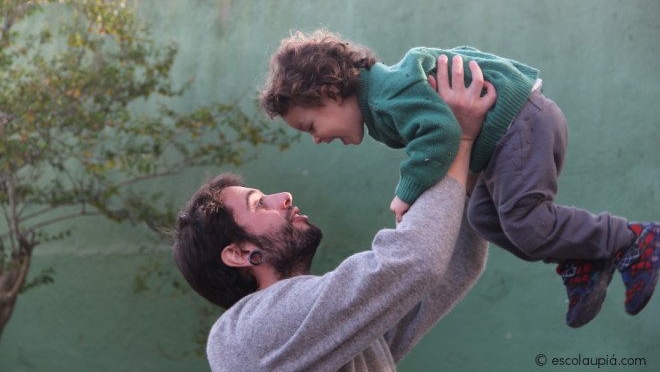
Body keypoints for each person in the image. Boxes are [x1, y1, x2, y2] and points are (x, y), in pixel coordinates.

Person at [259, 29, 660, 328]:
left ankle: (632, 239)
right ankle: (582, 259)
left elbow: (440, 134)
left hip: (521, 124)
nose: (316, 139)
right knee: (483, 218)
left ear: (330, 91)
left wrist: (406, 192)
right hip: (505, 141)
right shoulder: (380, 105)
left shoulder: (387, 93)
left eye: (310, 126)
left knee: (524, 219)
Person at [172, 60, 492, 371]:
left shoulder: (324, 331)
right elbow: (415, 261)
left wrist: (468, 157)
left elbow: (447, 265)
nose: (283, 197)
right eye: (258, 204)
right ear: (240, 253)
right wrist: (457, 138)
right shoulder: (245, 335)